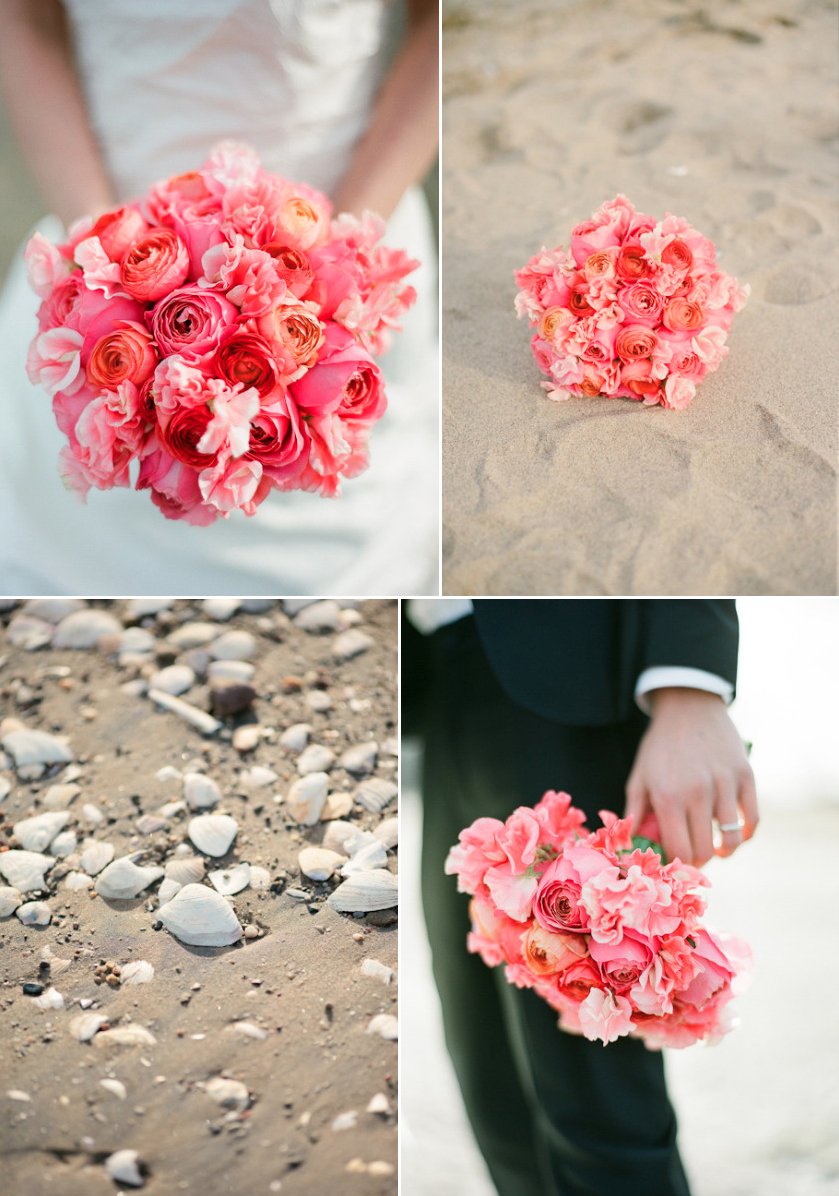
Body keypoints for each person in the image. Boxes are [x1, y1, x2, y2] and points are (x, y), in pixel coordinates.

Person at [0, 0, 438, 595]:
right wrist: (99, 249)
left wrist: (342, 258)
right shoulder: (97, 259)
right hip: (99, 236)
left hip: (351, 234)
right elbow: (24, 19)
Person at [404, 598, 758, 1196]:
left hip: (570, 675)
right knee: (492, 1086)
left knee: (597, 1116)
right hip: (441, 682)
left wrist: (688, 687)